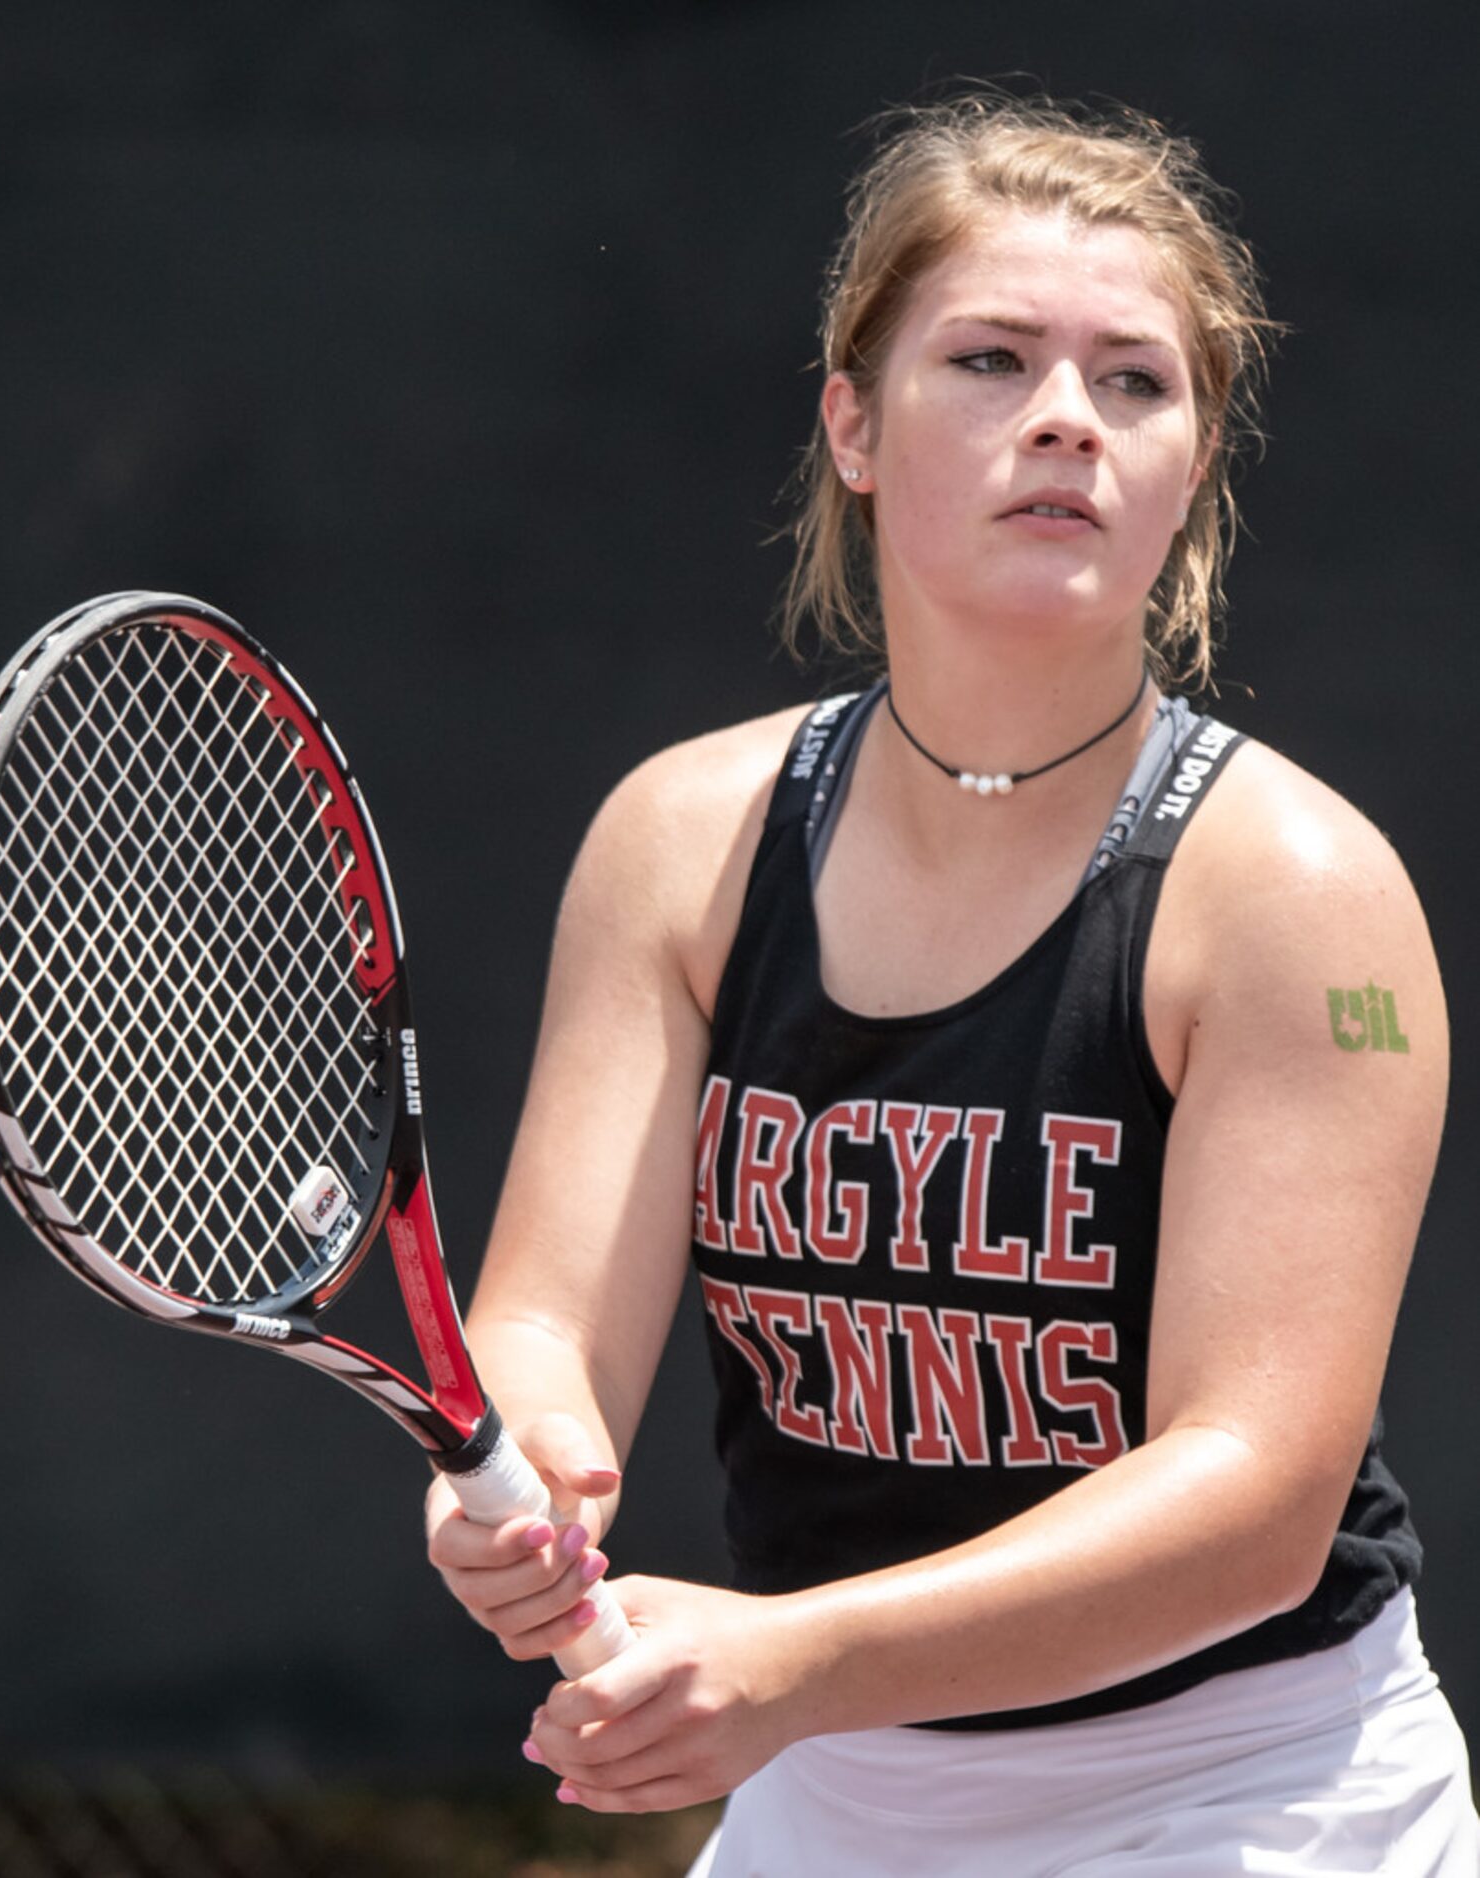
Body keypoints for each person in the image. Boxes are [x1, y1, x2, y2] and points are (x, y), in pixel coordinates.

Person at [425, 94, 1479, 1873]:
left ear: (1192, 467)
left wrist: (797, 1655)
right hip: (842, 1785)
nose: (1067, 415)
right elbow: (540, 1319)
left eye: (1135, 382)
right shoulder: (682, 842)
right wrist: (530, 1463)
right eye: (991, 358)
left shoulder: (1303, 899)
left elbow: (1259, 1500)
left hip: (1251, 1788)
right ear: (852, 422)